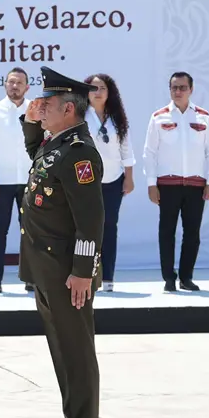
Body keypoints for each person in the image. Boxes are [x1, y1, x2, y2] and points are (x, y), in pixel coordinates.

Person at [18, 66, 104, 418]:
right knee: (61, 352)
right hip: (47, 268)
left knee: (76, 353)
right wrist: (31, 122)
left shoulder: (80, 153)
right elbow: (37, 156)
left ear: (69, 109)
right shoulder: (58, 145)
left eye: (48, 104)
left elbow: (91, 219)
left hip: (68, 271)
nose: (41, 107)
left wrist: (83, 271)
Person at [142, 71, 209, 292]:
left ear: (191, 90)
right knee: (166, 232)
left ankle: (186, 277)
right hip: (167, 184)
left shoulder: (203, 116)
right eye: (174, 87)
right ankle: (168, 278)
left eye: (183, 87)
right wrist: (151, 184)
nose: (178, 91)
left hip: (196, 184)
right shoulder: (159, 116)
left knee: (192, 233)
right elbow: (150, 152)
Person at [0, 68, 32, 293]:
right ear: (5, 85)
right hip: (2, 181)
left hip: (30, 181)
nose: (14, 86)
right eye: (11, 82)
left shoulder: (36, 110)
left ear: (27, 87)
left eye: (19, 83)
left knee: (30, 232)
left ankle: (31, 278)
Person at [84, 73, 136, 292]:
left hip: (114, 180)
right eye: (94, 88)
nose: (98, 92)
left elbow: (126, 148)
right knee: (86, 230)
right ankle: (87, 276)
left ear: (109, 91)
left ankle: (108, 278)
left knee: (109, 228)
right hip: (85, 181)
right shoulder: (78, 115)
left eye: (102, 88)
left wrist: (129, 177)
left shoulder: (116, 117)